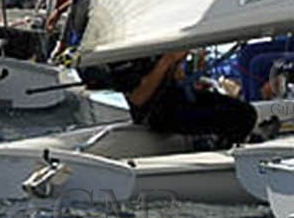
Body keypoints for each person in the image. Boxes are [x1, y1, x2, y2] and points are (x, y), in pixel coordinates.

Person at [81, 51, 259, 149]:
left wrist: (178, 66)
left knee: (246, 112)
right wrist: (166, 61)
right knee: (240, 117)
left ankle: (220, 143)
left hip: (178, 97)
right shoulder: (125, 55)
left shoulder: (157, 43)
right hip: (156, 113)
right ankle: (217, 146)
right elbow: (138, 99)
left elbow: (175, 76)